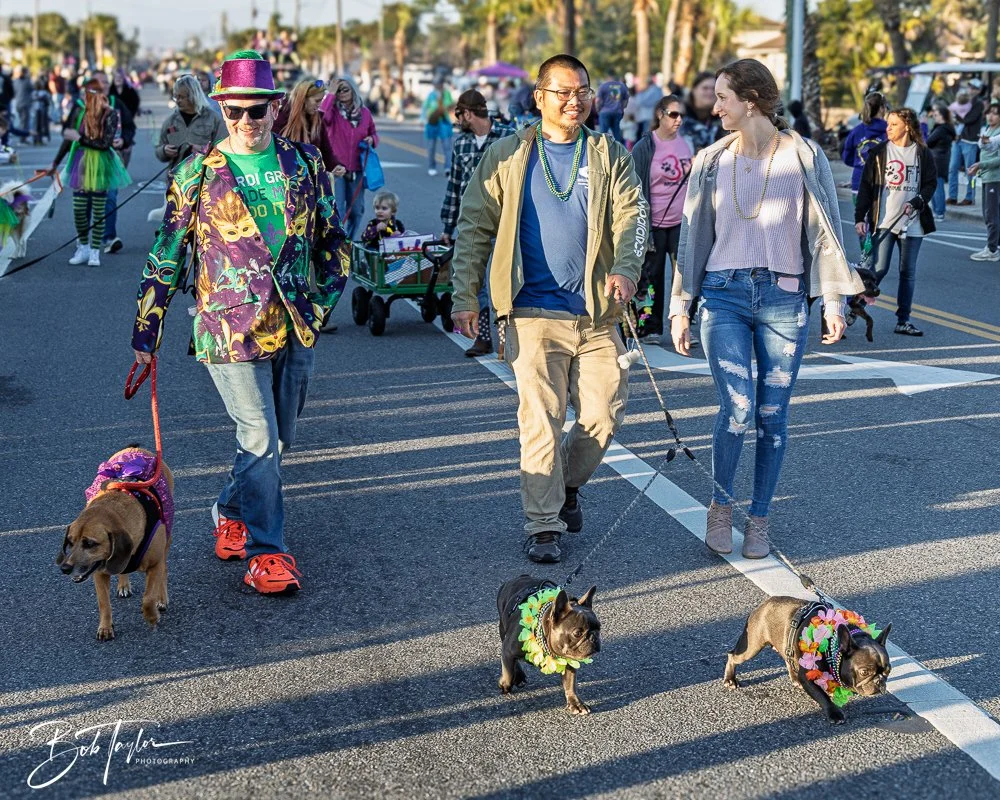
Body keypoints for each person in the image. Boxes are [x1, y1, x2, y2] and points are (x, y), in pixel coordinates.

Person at [130, 50, 350, 596]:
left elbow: (333, 243)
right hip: (227, 327)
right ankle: (266, 553)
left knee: (281, 438)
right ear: (221, 110)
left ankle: (230, 507)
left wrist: (319, 306)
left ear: (276, 108)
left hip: (295, 320)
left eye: (257, 111)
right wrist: (146, 332)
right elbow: (167, 252)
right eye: (235, 113)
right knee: (261, 438)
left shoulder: (305, 164)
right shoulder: (197, 173)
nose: (247, 123)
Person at [450, 54, 647, 564]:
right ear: (539, 97)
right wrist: (464, 296)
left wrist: (625, 268)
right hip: (531, 312)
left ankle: (566, 484)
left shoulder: (609, 154)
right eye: (561, 91)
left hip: (596, 313)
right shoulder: (507, 156)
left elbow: (632, 218)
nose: (573, 100)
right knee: (542, 418)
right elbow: (473, 227)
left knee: (604, 413)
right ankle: (543, 525)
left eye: (581, 89)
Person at [669, 59, 862, 559]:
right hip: (723, 296)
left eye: (723, 99)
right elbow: (692, 238)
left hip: (784, 298)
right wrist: (680, 305)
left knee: (772, 416)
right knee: (737, 408)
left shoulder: (803, 155)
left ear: (750, 102)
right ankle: (720, 506)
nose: (715, 109)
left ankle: (760, 518)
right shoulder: (712, 160)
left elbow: (826, 232)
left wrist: (834, 300)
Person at [439, 88, 514, 357]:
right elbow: (455, 186)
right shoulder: (461, 144)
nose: (459, 121)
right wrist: (448, 226)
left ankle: (506, 339)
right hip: (473, 222)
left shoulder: (508, 137)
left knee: (504, 281)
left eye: (460, 115)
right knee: (477, 281)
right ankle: (483, 338)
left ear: (468, 113)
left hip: (506, 220)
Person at [855, 107, 937, 337]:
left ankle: (903, 320)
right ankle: (855, 305)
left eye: (893, 125)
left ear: (907, 127)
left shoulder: (922, 153)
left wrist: (918, 201)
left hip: (913, 223)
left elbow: (930, 184)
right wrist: (859, 218)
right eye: (888, 124)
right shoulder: (879, 152)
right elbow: (866, 188)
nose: (888, 128)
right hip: (884, 221)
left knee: (907, 273)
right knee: (878, 268)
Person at [630, 94, 694, 344]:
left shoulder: (687, 142)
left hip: (682, 221)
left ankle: (684, 324)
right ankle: (650, 327)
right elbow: (633, 183)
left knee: (685, 276)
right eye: (673, 115)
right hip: (653, 223)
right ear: (660, 114)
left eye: (682, 116)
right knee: (652, 277)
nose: (678, 120)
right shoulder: (645, 146)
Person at [51, 78, 132, 268]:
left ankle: (95, 251)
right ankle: (84, 246)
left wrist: (79, 137)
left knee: (98, 209)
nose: (83, 98)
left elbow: (105, 144)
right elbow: (68, 138)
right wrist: (55, 162)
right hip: (80, 162)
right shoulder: (79, 110)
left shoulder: (110, 114)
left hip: (101, 163)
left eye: (87, 93)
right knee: (79, 209)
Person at [321, 75, 378, 240]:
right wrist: (330, 94)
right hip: (337, 169)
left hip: (357, 168)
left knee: (356, 210)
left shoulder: (365, 113)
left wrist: (372, 139)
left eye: (344, 89)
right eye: (338, 91)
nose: (341, 93)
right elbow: (321, 118)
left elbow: (373, 132)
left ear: (353, 89)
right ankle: (335, 243)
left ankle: (349, 241)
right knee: (337, 209)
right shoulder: (332, 111)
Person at [90, 70, 136, 255]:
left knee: (109, 196)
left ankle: (109, 238)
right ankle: (84, 240)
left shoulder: (117, 103)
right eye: (100, 83)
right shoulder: (83, 104)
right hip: (88, 158)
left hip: (111, 157)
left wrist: (123, 140)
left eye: (106, 83)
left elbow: (130, 126)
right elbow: (71, 130)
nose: (104, 86)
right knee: (87, 200)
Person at [966, 102, 1000, 261]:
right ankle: (995, 246)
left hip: (995, 177)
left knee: (991, 214)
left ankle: (992, 249)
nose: (991, 116)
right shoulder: (988, 130)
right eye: (989, 113)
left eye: (995, 113)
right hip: (987, 176)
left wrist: (981, 165)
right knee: (989, 214)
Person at [842, 92, 888, 201]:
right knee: (875, 217)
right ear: (882, 109)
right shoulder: (890, 130)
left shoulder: (856, 130)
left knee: (860, 217)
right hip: (880, 181)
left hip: (858, 181)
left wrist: (858, 164)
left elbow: (847, 156)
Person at [275, 77, 332, 164]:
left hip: (312, 174)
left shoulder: (319, 118)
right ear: (303, 99)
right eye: (317, 101)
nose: (319, 105)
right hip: (286, 173)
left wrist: (335, 165)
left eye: (321, 100)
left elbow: (325, 150)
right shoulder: (281, 116)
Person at [948, 83, 984, 206]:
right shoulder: (962, 102)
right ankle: (952, 196)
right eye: (970, 87)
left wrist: (955, 115)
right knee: (952, 168)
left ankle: (970, 197)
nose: (971, 90)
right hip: (958, 140)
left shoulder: (978, 104)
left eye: (974, 88)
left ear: (979, 91)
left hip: (970, 141)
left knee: (970, 170)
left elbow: (968, 120)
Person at [925, 103, 956, 221]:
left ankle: (939, 211)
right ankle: (937, 211)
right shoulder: (946, 128)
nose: (934, 117)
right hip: (940, 159)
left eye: (936, 115)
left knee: (937, 187)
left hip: (937, 160)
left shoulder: (941, 129)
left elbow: (929, 141)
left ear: (942, 116)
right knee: (936, 186)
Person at [679, 71, 723, 153]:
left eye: (713, 89)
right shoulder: (678, 115)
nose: (710, 92)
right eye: (705, 88)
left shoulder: (723, 119)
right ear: (694, 90)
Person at [421, 78, 454, 176]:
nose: (437, 85)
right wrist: (423, 118)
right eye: (436, 84)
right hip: (432, 123)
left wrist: (444, 106)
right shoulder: (431, 95)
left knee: (447, 146)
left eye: (439, 83)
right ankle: (432, 166)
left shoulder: (446, 94)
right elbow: (425, 107)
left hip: (444, 122)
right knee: (431, 147)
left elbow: (450, 105)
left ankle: (448, 167)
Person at [595, 74, 628, 143]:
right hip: (617, 112)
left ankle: (602, 150)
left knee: (603, 133)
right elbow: (626, 100)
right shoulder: (622, 86)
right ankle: (619, 150)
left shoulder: (603, 86)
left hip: (605, 112)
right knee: (617, 133)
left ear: (608, 77)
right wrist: (622, 108)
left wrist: (598, 109)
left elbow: (598, 100)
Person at [628, 76, 664, 141]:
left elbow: (641, 102)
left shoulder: (651, 90)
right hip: (651, 116)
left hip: (647, 116)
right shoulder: (657, 90)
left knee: (646, 135)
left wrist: (641, 95)